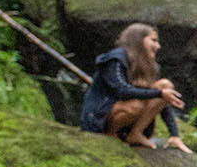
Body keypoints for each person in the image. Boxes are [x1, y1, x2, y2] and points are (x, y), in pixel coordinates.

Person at [81, 23, 191, 152]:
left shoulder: (151, 66)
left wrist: (174, 134)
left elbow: (162, 101)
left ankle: (135, 134)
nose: (158, 46)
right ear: (138, 39)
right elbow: (121, 90)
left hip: (128, 121)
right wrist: (160, 94)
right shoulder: (115, 59)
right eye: (153, 40)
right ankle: (111, 134)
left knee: (165, 85)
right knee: (137, 104)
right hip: (100, 118)